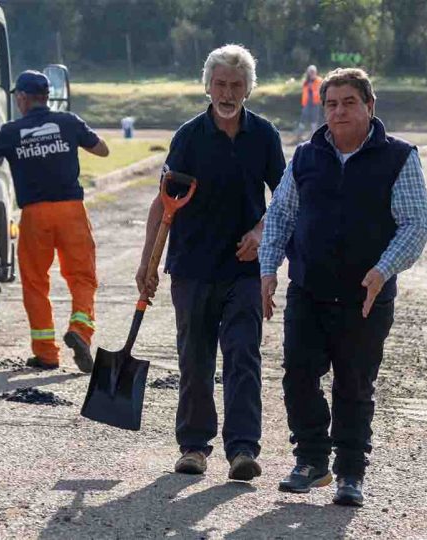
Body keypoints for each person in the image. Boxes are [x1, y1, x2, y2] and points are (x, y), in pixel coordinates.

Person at [259, 68, 427, 506]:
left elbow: (415, 224)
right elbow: (280, 216)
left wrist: (383, 269)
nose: (339, 111)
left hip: (366, 297)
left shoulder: (400, 157)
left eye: (349, 102)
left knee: (354, 385)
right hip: (308, 291)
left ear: (370, 107)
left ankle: (350, 473)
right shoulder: (305, 156)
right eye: (331, 104)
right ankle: (311, 461)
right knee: (298, 376)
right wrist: (268, 270)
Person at [136, 44, 285, 481]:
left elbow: (285, 202)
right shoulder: (188, 137)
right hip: (192, 267)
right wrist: (147, 263)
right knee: (195, 359)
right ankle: (195, 447)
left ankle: (242, 450)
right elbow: (162, 204)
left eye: (236, 85)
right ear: (208, 86)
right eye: (220, 84)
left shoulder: (264, 136)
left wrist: (261, 234)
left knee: (243, 355)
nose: (227, 92)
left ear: (248, 89)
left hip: (243, 270)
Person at [0, 70, 109, 373]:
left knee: (35, 282)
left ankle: (46, 353)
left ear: (24, 98)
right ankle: (80, 331)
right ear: (47, 96)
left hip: (35, 215)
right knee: (82, 276)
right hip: (71, 212)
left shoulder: (12, 131)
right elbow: (102, 149)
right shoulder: (68, 122)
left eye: (18, 97)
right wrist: (72, 137)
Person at [295, 65, 322, 141]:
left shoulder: (319, 80)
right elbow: (304, 93)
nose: (311, 73)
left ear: (315, 72)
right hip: (307, 103)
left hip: (315, 103)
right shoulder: (306, 81)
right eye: (310, 72)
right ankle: (299, 136)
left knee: (314, 120)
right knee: (303, 119)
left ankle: (314, 137)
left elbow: (319, 91)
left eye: (313, 72)